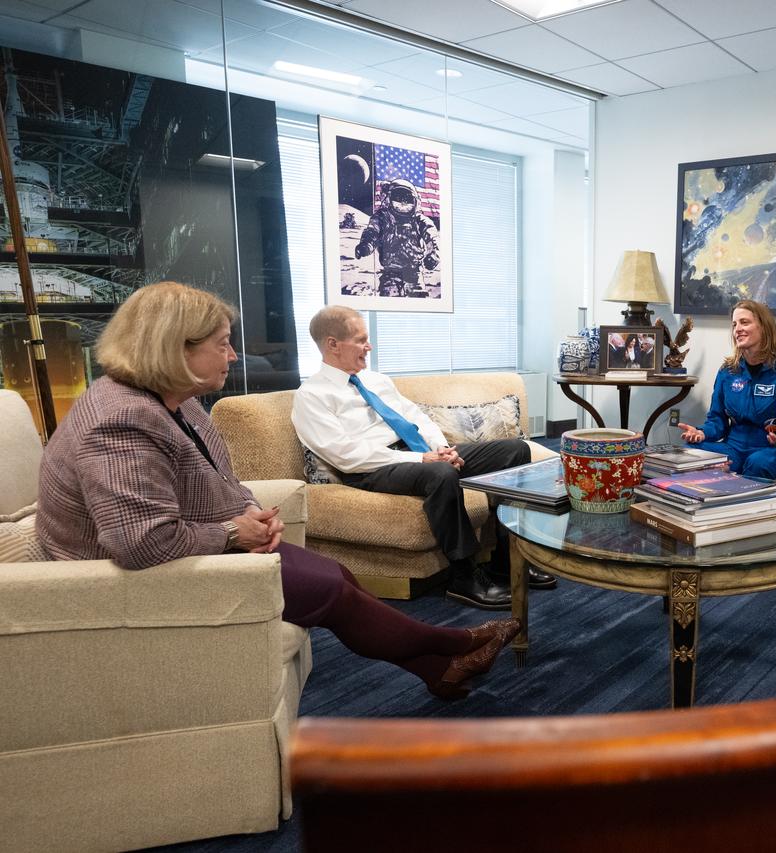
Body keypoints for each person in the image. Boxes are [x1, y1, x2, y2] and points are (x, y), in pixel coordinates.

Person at [36, 282, 518, 701]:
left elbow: (220, 479)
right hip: (129, 578)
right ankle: (456, 645)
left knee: (338, 574)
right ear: (176, 350)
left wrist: (251, 513)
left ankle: (440, 669)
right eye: (223, 345)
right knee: (330, 589)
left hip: (189, 545)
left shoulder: (177, 404)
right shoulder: (120, 419)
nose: (234, 355)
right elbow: (139, 542)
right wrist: (233, 533)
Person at [292, 305, 556, 610]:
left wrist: (442, 450)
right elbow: (346, 455)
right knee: (440, 475)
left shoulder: (376, 381)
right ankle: (463, 577)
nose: (369, 346)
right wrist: (424, 461)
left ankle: (504, 560)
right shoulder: (312, 396)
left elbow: (415, 416)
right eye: (361, 340)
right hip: (373, 467)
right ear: (332, 344)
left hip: (417, 454)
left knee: (515, 451)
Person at [677, 299, 776, 479]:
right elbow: (717, 421)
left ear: (764, 327)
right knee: (691, 452)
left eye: (744, 322)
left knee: (757, 463)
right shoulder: (727, 371)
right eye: (734, 324)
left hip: (772, 449)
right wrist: (701, 433)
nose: (737, 329)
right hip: (733, 448)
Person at [354, 178, 439, 298]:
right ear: (389, 198)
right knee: (390, 300)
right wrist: (366, 245)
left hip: (414, 272)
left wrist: (433, 254)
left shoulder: (419, 220)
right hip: (390, 271)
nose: (403, 202)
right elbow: (372, 232)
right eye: (398, 197)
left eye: (407, 198)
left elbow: (431, 237)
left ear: (415, 201)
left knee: (418, 302)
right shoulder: (383, 218)